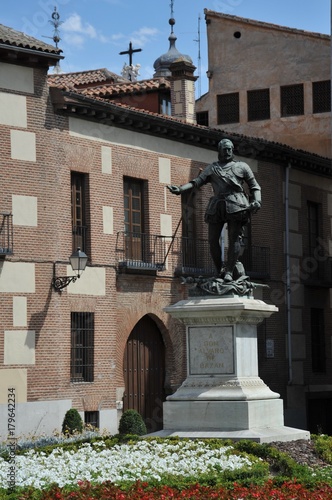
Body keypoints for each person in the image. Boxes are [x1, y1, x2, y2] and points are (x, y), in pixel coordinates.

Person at [167, 139, 261, 282]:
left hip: (236, 204)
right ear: (219, 151)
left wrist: (257, 201)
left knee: (234, 237)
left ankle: (229, 271)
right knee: (212, 240)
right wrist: (180, 189)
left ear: (233, 150)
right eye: (224, 149)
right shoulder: (212, 168)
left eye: (229, 149)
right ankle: (220, 271)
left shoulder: (242, 167)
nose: (227, 152)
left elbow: (255, 187)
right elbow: (196, 182)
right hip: (217, 205)